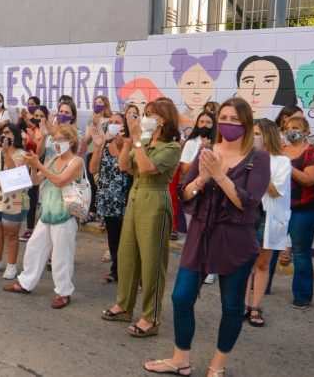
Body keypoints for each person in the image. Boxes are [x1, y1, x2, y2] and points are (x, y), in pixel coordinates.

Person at [145, 98, 269, 377]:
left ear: (247, 123)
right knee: (181, 297)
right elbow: (185, 193)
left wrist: (220, 175)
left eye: (235, 119)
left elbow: (247, 203)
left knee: (232, 305)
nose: (228, 123)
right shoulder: (207, 149)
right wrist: (202, 178)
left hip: (235, 239)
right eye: (224, 117)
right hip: (200, 234)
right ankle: (181, 359)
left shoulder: (258, 158)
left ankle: (217, 366)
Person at [102, 98, 181, 338]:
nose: (144, 118)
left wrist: (137, 140)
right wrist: (128, 143)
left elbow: (147, 168)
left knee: (152, 262)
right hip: (135, 196)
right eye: (144, 113)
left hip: (155, 200)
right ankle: (124, 305)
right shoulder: (143, 141)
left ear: (163, 120)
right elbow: (124, 166)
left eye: (150, 114)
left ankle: (151, 316)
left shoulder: (172, 147)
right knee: (127, 255)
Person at [3, 125, 84, 309]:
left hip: (65, 215)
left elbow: (60, 180)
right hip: (47, 212)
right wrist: (33, 167)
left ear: (71, 142)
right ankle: (25, 283)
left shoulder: (76, 161)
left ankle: (63, 292)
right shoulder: (53, 159)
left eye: (60, 140)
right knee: (34, 247)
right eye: (54, 139)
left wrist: (38, 165)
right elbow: (36, 181)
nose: (56, 143)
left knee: (61, 255)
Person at [244, 118, 291, 328]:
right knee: (243, 264)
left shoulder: (282, 162)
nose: (254, 137)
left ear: (267, 135)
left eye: (257, 133)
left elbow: (275, 191)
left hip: (267, 217)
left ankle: (255, 306)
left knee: (262, 264)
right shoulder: (245, 157)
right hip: (246, 215)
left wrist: (259, 168)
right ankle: (241, 305)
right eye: (251, 133)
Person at [283, 116, 314, 309]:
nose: (291, 130)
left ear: (307, 131)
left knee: (300, 253)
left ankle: (302, 296)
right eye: (288, 128)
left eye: (296, 127)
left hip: (304, 210)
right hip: (279, 208)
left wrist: (286, 165)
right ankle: (260, 289)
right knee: (268, 249)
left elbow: (309, 179)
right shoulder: (280, 150)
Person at [89, 112, 132, 283]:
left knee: (127, 238)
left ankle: (131, 273)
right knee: (113, 237)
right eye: (111, 122)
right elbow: (92, 169)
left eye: (118, 122)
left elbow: (129, 170)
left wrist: (123, 147)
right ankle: (116, 270)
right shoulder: (104, 145)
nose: (114, 124)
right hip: (108, 198)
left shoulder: (130, 145)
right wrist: (99, 146)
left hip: (125, 197)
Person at [0, 123, 29, 280]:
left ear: (16, 135)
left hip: (14, 199)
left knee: (11, 234)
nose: (5, 136)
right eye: (3, 133)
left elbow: (14, 173)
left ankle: (11, 265)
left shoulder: (22, 154)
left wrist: (7, 153)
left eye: (9, 133)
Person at [179, 110, 217, 283]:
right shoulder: (190, 143)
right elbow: (185, 169)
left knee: (211, 232)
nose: (204, 125)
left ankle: (210, 269)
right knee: (193, 231)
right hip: (192, 191)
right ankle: (194, 265)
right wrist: (201, 151)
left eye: (208, 122)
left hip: (212, 192)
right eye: (201, 121)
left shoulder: (219, 143)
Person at [20, 105, 48, 242]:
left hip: (44, 166)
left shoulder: (47, 132)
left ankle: (42, 230)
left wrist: (40, 138)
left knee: (42, 199)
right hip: (31, 167)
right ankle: (29, 228)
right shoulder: (31, 130)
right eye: (36, 116)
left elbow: (40, 152)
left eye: (41, 116)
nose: (38, 119)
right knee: (31, 197)